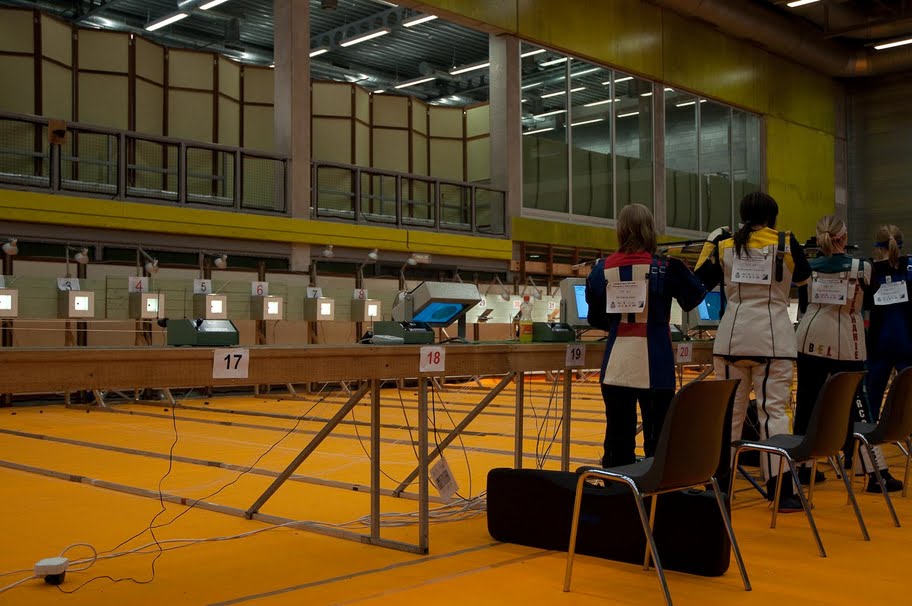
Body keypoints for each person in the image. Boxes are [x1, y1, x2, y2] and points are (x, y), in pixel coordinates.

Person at [695, 192, 811, 512]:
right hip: (773, 341)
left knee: (728, 415)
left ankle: (719, 486)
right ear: (773, 216)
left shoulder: (725, 245)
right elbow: (804, 278)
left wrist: (710, 244)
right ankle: (782, 492)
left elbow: (698, 282)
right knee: (773, 414)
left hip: (731, 339)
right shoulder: (785, 242)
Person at [586, 204, 706, 467]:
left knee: (618, 442)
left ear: (620, 230)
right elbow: (695, 297)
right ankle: (654, 490)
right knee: (659, 442)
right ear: (650, 230)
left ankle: (618, 487)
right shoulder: (668, 267)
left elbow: (595, 319)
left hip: (616, 366)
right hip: (657, 365)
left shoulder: (599, 270)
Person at [794, 216, 900, 492]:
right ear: (844, 237)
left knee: (806, 406)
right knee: (859, 407)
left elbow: (803, 305)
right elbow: (873, 299)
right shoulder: (862, 267)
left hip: (809, 339)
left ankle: (803, 468)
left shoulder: (808, 268)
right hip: (847, 341)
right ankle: (875, 472)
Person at [864, 225, 912, 462]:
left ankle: (869, 456)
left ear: (877, 246)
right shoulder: (910, 267)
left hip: (879, 345)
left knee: (871, 403)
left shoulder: (870, 270)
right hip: (907, 342)